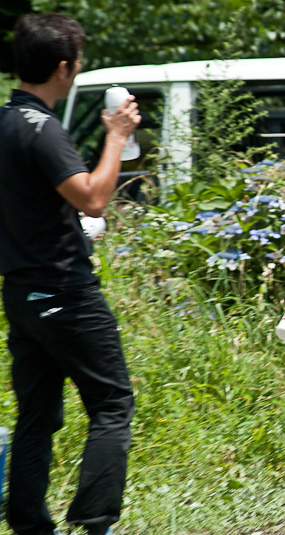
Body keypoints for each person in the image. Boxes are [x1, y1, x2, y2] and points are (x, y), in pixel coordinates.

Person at [0, 13, 140, 535]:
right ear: (63, 68)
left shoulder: (3, 122)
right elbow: (96, 197)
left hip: (20, 291)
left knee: (37, 415)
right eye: (78, 63)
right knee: (112, 403)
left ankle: (30, 526)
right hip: (65, 291)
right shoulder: (42, 128)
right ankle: (95, 523)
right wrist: (118, 135)